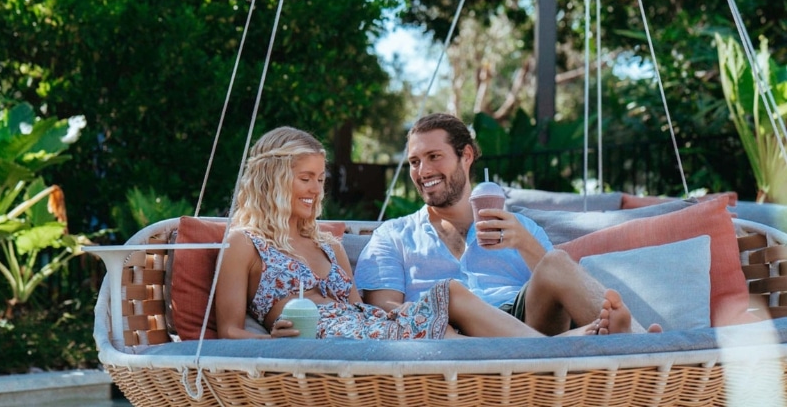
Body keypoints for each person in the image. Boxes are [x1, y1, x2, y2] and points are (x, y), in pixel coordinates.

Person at [215, 126, 635, 340]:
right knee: (450, 295)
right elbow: (227, 330)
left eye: (321, 179)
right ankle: (571, 348)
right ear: (271, 178)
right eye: (305, 178)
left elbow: (363, 310)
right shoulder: (244, 243)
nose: (315, 189)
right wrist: (270, 339)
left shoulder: (330, 244)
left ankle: (621, 342)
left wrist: (402, 314)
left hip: (371, 332)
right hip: (336, 344)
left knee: (457, 312)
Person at [354, 113, 662, 336]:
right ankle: (571, 345)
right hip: (449, 332)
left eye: (434, 156)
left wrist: (524, 242)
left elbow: (557, 294)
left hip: (524, 321)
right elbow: (384, 312)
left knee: (555, 261)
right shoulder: (392, 236)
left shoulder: (519, 226)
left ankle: (639, 343)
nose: (423, 170)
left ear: (466, 156)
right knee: (451, 291)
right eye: (414, 161)